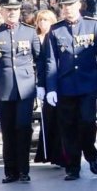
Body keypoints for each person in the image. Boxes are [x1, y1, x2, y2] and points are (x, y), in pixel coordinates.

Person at [43, 0, 97, 180]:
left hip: (88, 85)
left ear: (79, 5)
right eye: (64, 6)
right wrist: (51, 89)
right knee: (68, 127)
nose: (67, 10)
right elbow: (50, 62)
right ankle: (73, 166)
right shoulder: (56, 30)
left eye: (71, 6)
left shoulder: (93, 26)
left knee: (88, 122)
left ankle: (90, 154)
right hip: (65, 87)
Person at [0, 0, 41, 183]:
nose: (12, 13)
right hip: (3, 89)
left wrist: (41, 85)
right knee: (8, 130)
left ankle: (24, 170)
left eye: (15, 10)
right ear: (1, 11)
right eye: (8, 10)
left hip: (25, 89)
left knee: (23, 128)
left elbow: (40, 60)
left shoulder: (29, 32)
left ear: (19, 12)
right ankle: (10, 172)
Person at [33, 8, 62, 167]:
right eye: (40, 20)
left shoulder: (57, 35)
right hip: (45, 80)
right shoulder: (36, 38)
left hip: (60, 82)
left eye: (46, 20)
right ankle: (48, 153)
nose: (43, 23)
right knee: (49, 119)